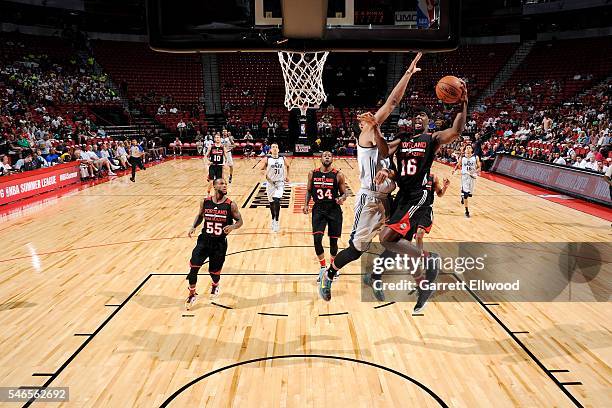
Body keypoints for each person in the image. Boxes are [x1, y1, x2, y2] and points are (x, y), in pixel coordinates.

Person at [318, 52, 424, 302]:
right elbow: (390, 105)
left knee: (395, 240)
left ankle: (374, 276)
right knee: (356, 249)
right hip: (369, 201)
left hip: (389, 200)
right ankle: (329, 273)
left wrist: (408, 74)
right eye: (368, 120)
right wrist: (406, 75)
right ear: (363, 128)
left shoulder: (390, 144)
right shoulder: (365, 139)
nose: (372, 119)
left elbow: (393, 105)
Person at [371, 69, 468, 313]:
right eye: (415, 116)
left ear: (428, 123)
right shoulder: (402, 140)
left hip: (418, 196)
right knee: (397, 243)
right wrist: (376, 129)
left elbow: (456, 130)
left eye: (423, 116)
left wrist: (464, 103)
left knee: (386, 238)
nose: (418, 118)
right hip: (402, 195)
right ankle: (423, 285)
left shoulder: (432, 139)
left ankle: (429, 259)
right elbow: (383, 151)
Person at [186, 178, 243, 308]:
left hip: (219, 244)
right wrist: (193, 226)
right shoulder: (205, 202)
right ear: (214, 186)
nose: (224, 186)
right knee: (194, 267)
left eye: (225, 184)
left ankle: (215, 284)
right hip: (204, 241)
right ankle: (191, 294)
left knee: (214, 272)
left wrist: (232, 227)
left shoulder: (231, 204)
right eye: (221, 183)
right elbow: (200, 216)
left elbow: (240, 221)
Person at [303, 151, 348, 277]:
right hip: (318, 209)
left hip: (334, 209)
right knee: (317, 239)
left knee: (333, 242)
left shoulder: (338, 175)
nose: (327, 157)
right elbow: (308, 191)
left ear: (332, 159)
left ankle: (333, 268)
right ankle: (323, 267)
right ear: (321, 158)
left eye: (329, 156)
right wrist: (306, 204)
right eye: (325, 155)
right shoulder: (312, 173)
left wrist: (342, 198)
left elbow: (345, 193)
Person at [409, 174, 450, 251]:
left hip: (426, 209)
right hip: (413, 207)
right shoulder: (413, 174)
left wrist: (445, 187)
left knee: (419, 234)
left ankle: (419, 255)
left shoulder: (433, 177)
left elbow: (439, 194)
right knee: (407, 236)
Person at [257, 143, 290, 232]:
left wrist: (287, 176)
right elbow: (261, 169)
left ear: (278, 150)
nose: (275, 149)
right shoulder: (267, 159)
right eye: (273, 147)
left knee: (276, 199)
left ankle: (277, 221)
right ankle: (273, 218)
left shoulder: (283, 158)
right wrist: (263, 173)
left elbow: (288, 166)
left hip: (280, 183)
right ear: (270, 150)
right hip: (270, 183)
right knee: (271, 203)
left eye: (276, 147)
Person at [453, 144, 480, 218]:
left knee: (469, 194)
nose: (468, 149)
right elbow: (458, 164)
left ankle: (462, 194)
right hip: (464, 176)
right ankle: (466, 211)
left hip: (472, 177)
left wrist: (475, 171)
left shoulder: (475, 157)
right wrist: (454, 169)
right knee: (466, 194)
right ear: (465, 150)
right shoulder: (462, 157)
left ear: (472, 149)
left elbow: (479, 167)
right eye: (467, 148)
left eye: (469, 147)